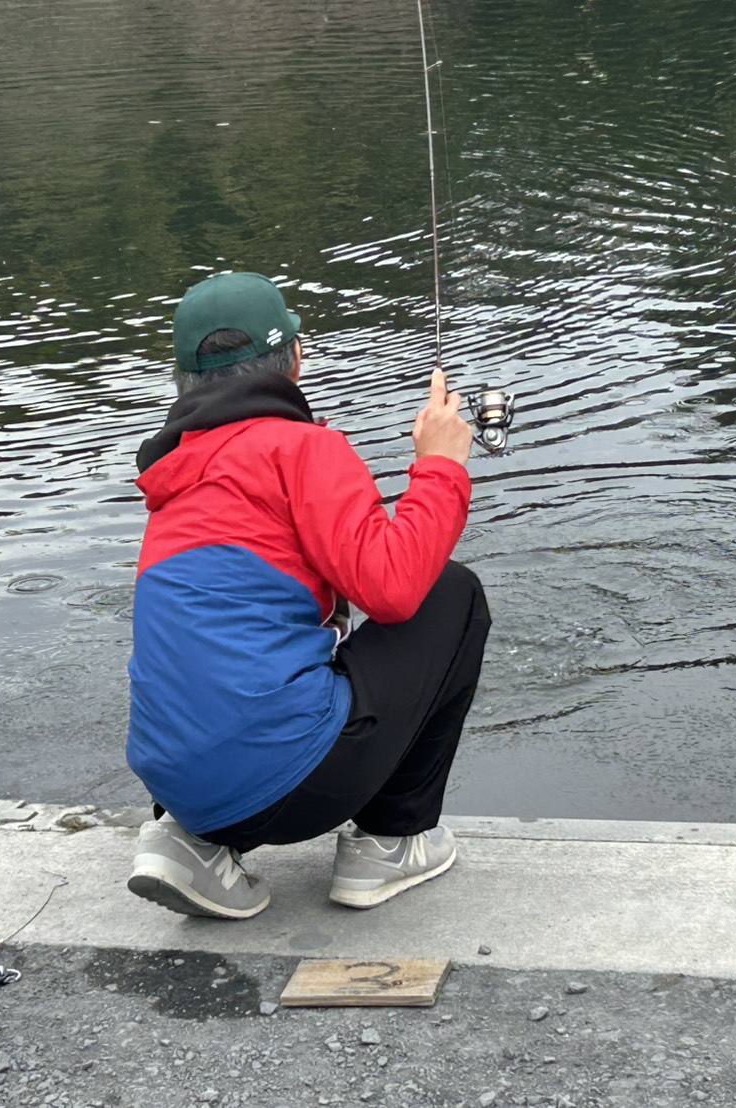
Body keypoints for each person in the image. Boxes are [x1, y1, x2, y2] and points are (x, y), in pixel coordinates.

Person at [125, 271, 489, 919]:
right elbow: (394, 590)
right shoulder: (301, 449)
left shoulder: (172, 476)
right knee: (451, 594)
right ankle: (390, 839)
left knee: (215, 644)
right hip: (292, 792)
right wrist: (440, 464)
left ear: (182, 380)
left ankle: (193, 843)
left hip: (174, 785)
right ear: (294, 359)